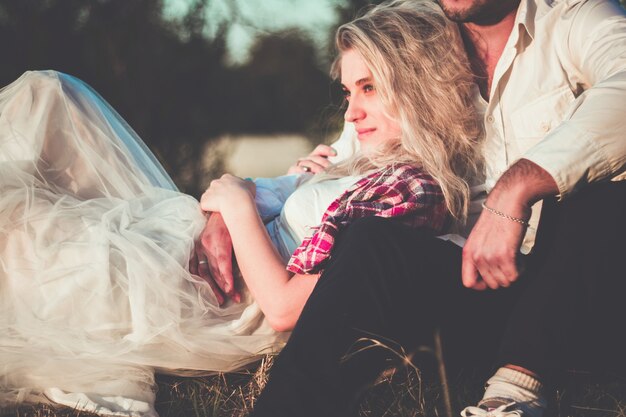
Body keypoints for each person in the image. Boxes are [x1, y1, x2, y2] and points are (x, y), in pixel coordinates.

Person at [0, 4, 479, 414]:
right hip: (179, 233)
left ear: (417, 86)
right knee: (51, 92)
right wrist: (254, 195)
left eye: (369, 88)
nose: (351, 113)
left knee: (20, 226)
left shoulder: (409, 189)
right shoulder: (355, 162)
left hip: (203, 290)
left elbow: (284, 307)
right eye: (349, 92)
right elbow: (230, 194)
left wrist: (237, 203)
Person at [246, 0, 626, 416]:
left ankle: (515, 393)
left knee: (605, 183)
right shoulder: (425, 36)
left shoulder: (575, 19)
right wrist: (247, 196)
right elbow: (349, 150)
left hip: (579, 289)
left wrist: (516, 188)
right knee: (371, 239)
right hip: (482, 290)